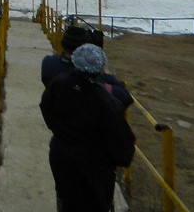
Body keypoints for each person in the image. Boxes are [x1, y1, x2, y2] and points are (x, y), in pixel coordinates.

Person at [40, 44, 136, 212]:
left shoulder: (58, 83)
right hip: (95, 166)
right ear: (100, 69)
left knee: (64, 196)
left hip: (60, 154)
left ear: (75, 62)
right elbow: (123, 147)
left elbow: (46, 107)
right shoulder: (108, 103)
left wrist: (59, 131)